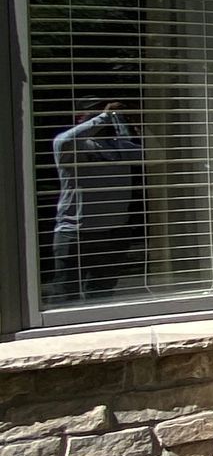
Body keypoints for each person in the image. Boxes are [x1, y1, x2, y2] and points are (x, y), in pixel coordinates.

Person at [47, 101, 143, 305]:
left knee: (101, 295)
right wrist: (104, 117)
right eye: (96, 113)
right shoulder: (69, 145)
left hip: (114, 232)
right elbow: (66, 140)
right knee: (64, 296)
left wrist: (137, 125)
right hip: (75, 233)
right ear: (80, 118)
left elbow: (156, 156)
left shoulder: (119, 145)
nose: (104, 118)